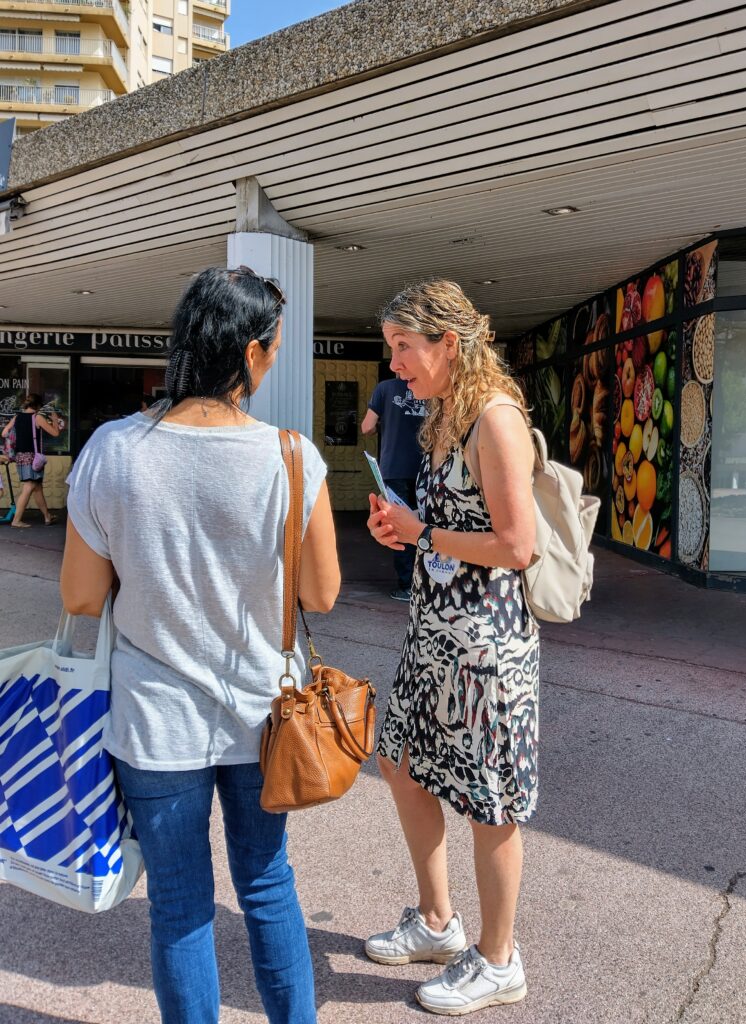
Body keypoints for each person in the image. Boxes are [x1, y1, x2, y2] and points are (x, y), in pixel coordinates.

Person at [60, 266, 341, 1024]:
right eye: (275, 348)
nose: (275, 360)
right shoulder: (292, 456)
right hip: (265, 717)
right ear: (250, 354)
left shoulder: (113, 450)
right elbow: (320, 594)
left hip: (155, 721)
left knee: (180, 901)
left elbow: (81, 597)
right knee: (266, 884)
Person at [365, 280, 539, 1016]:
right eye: (391, 349)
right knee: (400, 761)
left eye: (404, 347)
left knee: (488, 800)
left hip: (485, 646)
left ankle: (499, 961)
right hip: (435, 630)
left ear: (448, 343)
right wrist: (401, 525)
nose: (396, 363)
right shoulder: (444, 414)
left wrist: (423, 534)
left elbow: (516, 545)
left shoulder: (493, 416)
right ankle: (437, 922)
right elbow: (446, 525)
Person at [361, 376, 425, 601]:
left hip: (394, 468)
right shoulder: (430, 388)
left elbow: (367, 427)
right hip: (426, 469)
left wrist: (385, 423)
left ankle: (407, 586)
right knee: (424, 524)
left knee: (398, 526)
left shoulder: (384, 389)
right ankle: (426, 583)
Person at [1, 393, 61, 528]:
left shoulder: (17, 417)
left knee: (37, 487)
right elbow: (55, 433)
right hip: (32, 457)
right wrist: (55, 419)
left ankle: (47, 517)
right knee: (29, 487)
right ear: (38, 406)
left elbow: (4, 433)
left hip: (20, 456)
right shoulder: (37, 417)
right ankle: (16, 520)